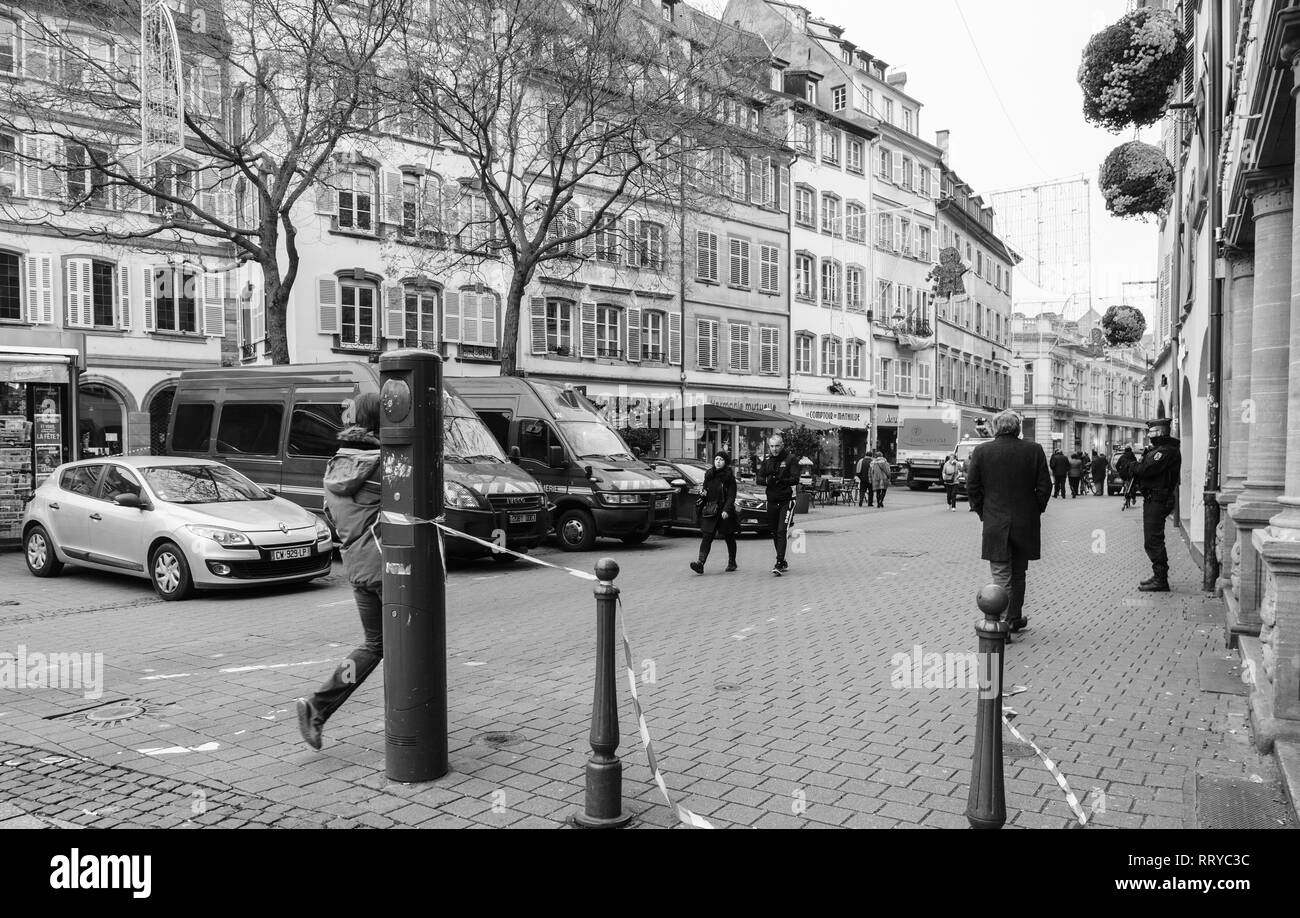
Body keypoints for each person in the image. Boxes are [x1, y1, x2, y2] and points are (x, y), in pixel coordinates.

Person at [297, 393, 384, 751]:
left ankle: (317, 706)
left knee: (376, 645)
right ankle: (412, 728)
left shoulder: (335, 464)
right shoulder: (384, 464)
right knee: (411, 643)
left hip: (358, 568)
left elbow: (330, 514)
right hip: (390, 567)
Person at [966, 410, 1051, 636]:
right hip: (1025, 522)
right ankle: (1013, 618)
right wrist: (1035, 510)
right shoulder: (1034, 450)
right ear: (1018, 428)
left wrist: (983, 512)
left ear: (995, 428)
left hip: (995, 521)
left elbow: (972, 487)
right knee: (1019, 573)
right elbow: (1045, 486)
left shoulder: (982, 451)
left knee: (1001, 573)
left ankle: (1002, 623)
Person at [1132, 418, 1182, 592]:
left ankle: (1161, 579)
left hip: (1158, 499)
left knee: (1153, 540)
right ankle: (1158, 575)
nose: (1149, 436)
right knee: (1152, 539)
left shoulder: (1166, 452)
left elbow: (1145, 469)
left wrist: (1131, 465)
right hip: (1156, 498)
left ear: (1158, 432)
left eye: (1151, 432)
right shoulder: (1164, 450)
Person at [755, 434, 799, 575]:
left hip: (787, 500)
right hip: (772, 500)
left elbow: (796, 478)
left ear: (782, 445)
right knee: (774, 531)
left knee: (781, 531)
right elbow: (759, 478)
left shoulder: (790, 459)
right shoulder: (767, 461)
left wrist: (782, 480)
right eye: (772, 446)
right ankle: (783, 560)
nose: (774, 449)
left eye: (777, 446)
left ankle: (779, 562)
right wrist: (768, 480)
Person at [691, 451, 739, 574]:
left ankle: (732, 562)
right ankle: (700, 563)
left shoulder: (729, 477)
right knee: (707, 536)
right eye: (716, 459)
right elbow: (705, 491)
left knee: (729, 536)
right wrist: (703, 494)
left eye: (721, 459)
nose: (718, 461)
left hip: (724, 511)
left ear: (725, 462)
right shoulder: (709, 475)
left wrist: (726, 510)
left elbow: (731, 496)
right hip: (711, 510)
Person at [1116, 445, 1138, 510]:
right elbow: (1136, 465)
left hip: (1124, 475)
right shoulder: (1133, 457)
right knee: (1132, 486)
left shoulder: (1122, 457)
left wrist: (1120, 471)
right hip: (1131, 474)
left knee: (1126, 483)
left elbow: (1117, 465)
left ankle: (1125, 491)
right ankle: (1133, 498)